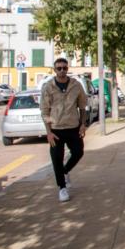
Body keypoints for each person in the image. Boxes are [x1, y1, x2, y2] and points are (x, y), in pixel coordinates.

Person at [41, 58, 87, 202]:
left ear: (68, 69)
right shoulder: (48, 87)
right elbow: (44, 111)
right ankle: (62, 188)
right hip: (56, 129)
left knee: (78, 152)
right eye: (59, 68)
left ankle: (65, 171)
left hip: (73, 127)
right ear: (54, 70)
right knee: (56, 159)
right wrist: (49, 132)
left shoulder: (76, 85)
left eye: (64, 68)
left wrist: (82, 124)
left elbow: (82, 107)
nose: (62, 71)